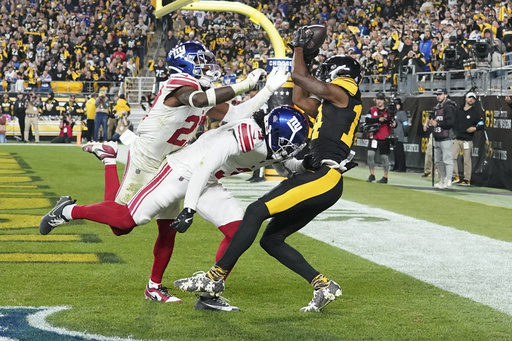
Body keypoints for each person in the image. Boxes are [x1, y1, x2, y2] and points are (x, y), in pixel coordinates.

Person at [60, 41, 283, 308]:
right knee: (122, 226)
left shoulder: (203, 91)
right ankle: (74, 203)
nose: (208, 65)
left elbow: (235, 113)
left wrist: (268, 89)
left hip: (174, 160)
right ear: (187, 63)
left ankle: (154, 286)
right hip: (147, 158)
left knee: (167, 230)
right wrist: (246, 84)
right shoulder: (179, 85)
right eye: (201, 60)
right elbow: (199, 100)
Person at [39, 105, 305, 313]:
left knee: (238, 232)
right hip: (182, 171)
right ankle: (67, 211)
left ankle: (206, 292)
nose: (288, 150)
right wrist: (188, 209)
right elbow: (202, 167)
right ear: (273, 132)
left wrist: (309, 165)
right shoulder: (243, 136)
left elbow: (282, 163)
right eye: (287, 144)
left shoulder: (271, 139)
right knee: (128, 221)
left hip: (207, 180)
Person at [173, 27, 363, 313]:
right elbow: (300, 98)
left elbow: (300, 78)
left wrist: (299, 51)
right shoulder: (335, 104)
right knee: (271, 239)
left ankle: (214, 278)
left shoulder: (345, 89)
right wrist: (304, 58)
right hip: (320, 176)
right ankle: (323, 285)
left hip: (323, 176)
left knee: (255, 211)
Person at [424, 88, 457, 189]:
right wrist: (427, 122)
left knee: (447, 159)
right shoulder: (437, 107)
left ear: (445, 95)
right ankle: (443, 179)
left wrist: (437, 123)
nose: (438, 96)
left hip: (447, 136)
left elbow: (450, 122)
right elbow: (431, 116)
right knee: (438, 160)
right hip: (437, 136)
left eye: (440, 94)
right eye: (437, 94)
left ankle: (448, 179)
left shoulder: (449, 107)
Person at [452, 92, 484, 186]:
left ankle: (467, 179)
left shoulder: (475, 113)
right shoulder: (458, 110)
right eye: (470, 97)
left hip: (467, 139)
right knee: (452, 157)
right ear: (465, 98)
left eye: (473, 98)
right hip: (457, 138)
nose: (471, 100)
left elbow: (482, 124)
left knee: (467, 160)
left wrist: (475, 128)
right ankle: (455, 176)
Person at [365, 92, 395, 184]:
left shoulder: (388, 111)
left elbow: (393, 122)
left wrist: (394, 123)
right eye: (378, 99)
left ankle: (385, 176)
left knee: (384, 157)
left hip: (384, 136)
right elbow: (367, 120)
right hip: (374, 135)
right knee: (370, 154)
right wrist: (378, 119)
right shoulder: (371, 110)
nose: (379, 101)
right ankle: (372, 174)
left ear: (384, 101)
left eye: (381, 99)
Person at [391, 97, 409, 172]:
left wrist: (405, 133)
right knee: (396, 151)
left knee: (400, 151)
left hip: (400, 135)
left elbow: (405, 123)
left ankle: (402, 167)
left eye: (397, 104)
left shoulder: (402, 113)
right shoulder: (396, 113)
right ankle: (396, 165)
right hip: (395, 134)